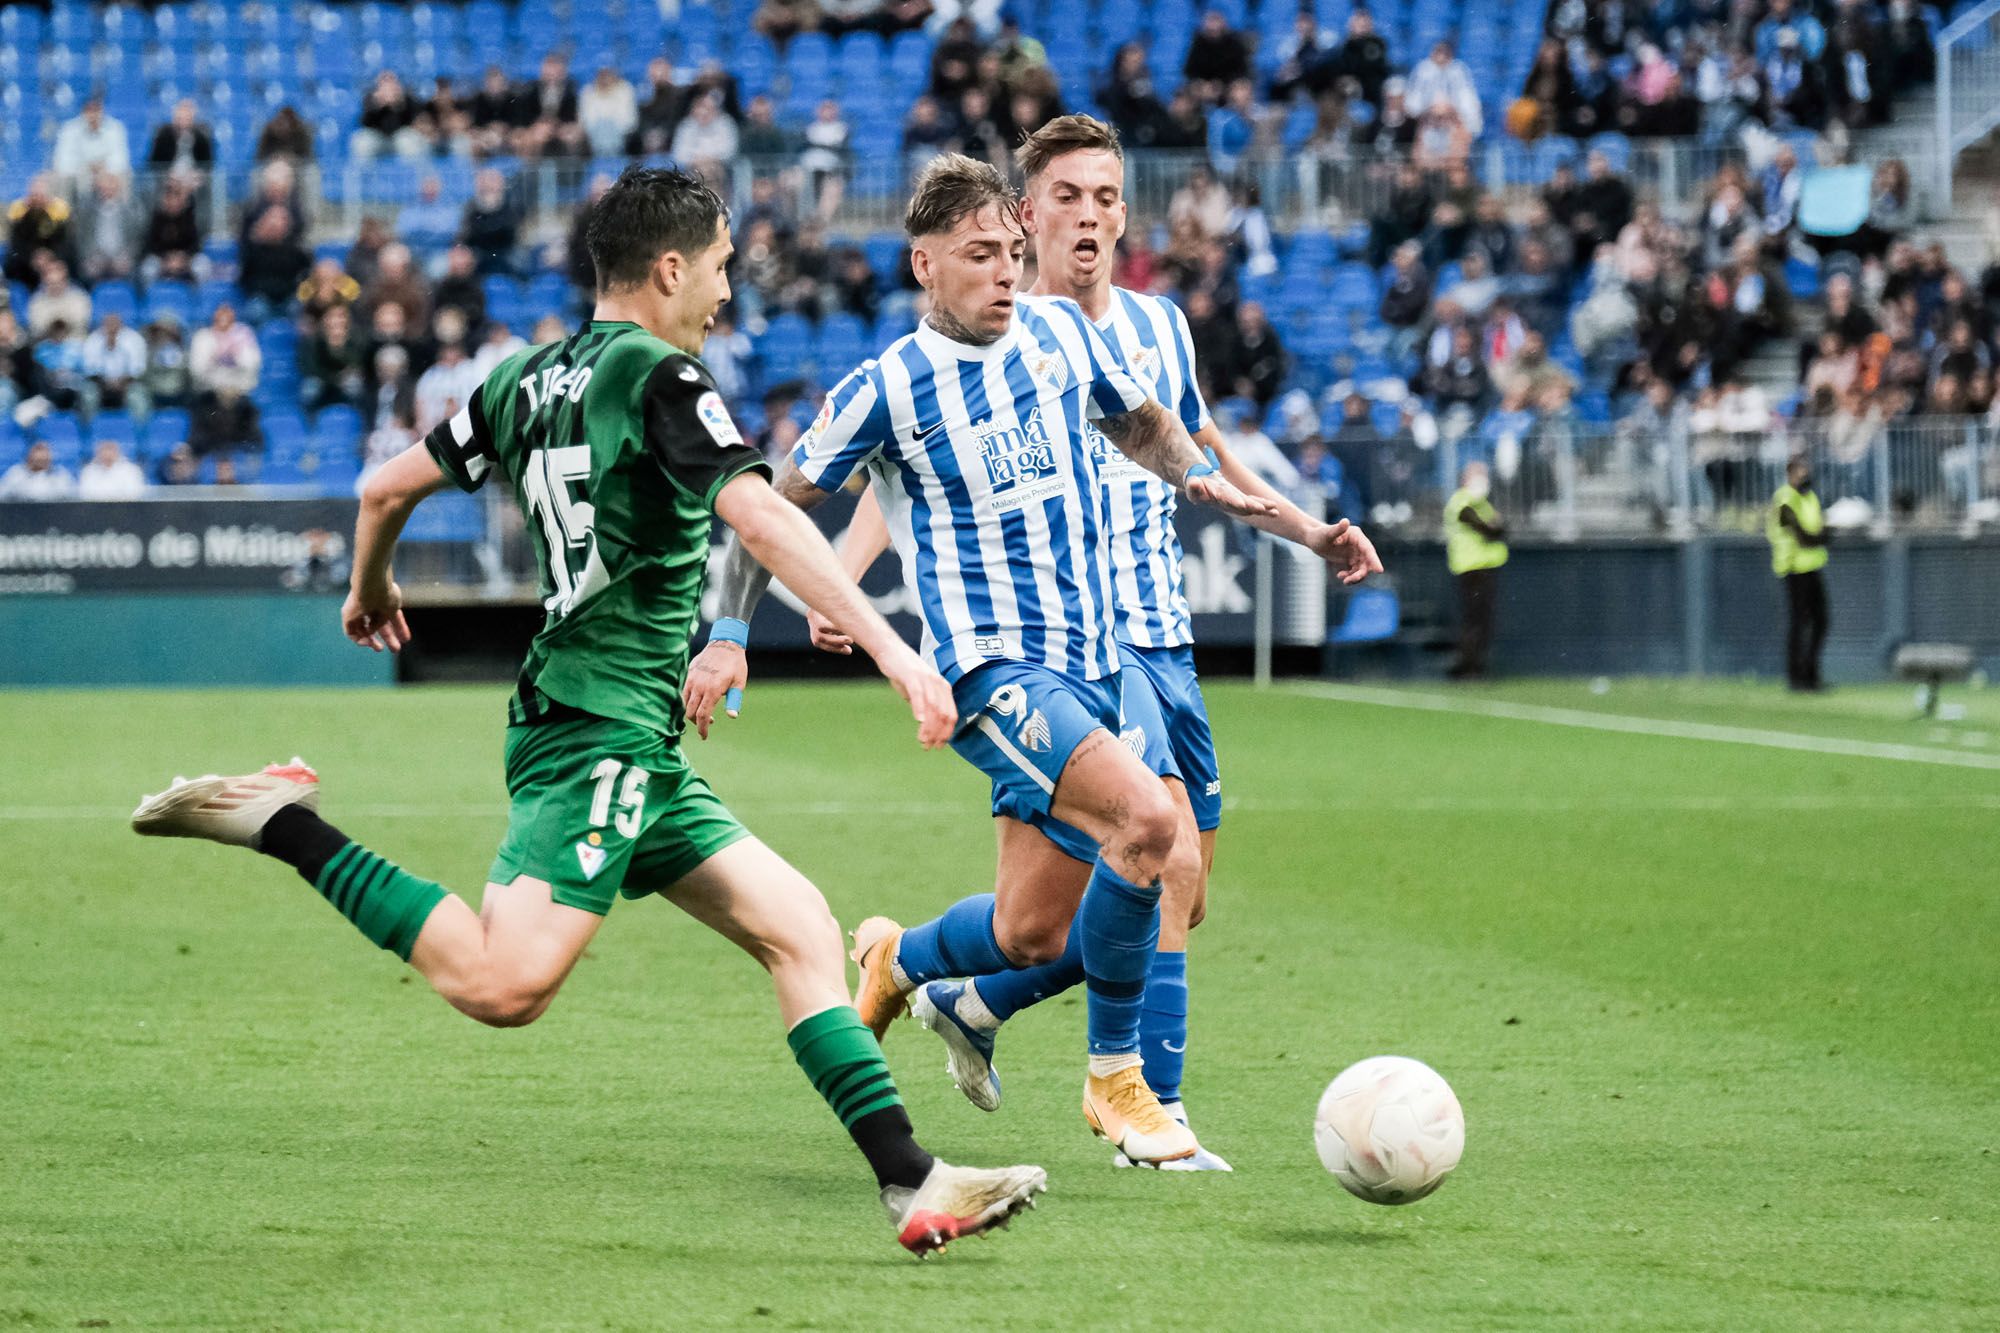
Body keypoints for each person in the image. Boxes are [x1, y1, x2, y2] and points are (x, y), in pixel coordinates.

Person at [129, 166, 1045, 1258]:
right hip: (594, 729)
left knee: (798, 926)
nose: (725, 293)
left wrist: (369, 587)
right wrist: (896, 651)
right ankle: (279, 820)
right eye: (716, 269)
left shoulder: (519, 377)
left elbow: (382, 488)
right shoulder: (663, 377)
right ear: (668, 269)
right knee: (503, 983)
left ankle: (912, 1181)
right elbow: (757, 516)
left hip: (623, 735)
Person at [793, 118, 1377, 1170]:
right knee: (1155, 839)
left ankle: (916, 970)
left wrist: (1292, 525)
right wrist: (844, 582)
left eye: (1106, 196)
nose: (1088, 216)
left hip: (1130, 642)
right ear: (1027, 206)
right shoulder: (921, 368)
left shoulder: (1129, 333)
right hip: (1014, 662)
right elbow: (898, 478)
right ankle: (1137, 1095)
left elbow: (1185, 442)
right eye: (1064, 197)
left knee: (1040, 925)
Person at [687, 152, 1283, 1167]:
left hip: (1091, 665)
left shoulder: (1056, 333)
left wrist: (1200, 477)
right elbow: (766, 514)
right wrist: (731, 633)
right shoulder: (886, 388)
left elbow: (1133, 415)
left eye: (1011, 252)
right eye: (979, 255)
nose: (1007, 272)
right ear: (923, 264)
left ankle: (896, 958)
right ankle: (1118, 1085)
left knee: (1031, 935)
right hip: (992, 676)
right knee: (1148, 823)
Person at [1767, 452, 1829, 691]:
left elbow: (1819, 531)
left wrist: (1821, 536)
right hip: (1793, 567)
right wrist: (1821, 537)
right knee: (1799, 624)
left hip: (1812, 566)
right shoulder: (1785, 500)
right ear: (1790, 474)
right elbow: (1805, 536)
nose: (1806, 475)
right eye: (1801, 471)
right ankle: (1797, 676)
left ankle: (1811, 673)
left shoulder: (1809, 497)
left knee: (1820, 622)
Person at [1444, 460, 1507, 680]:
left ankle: (1476, 664)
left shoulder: (1481, 504)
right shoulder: (1462, 502)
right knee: (1473, 620)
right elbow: (1488, 528)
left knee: (1482, 620)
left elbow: (1500, 529)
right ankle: (1466, 666)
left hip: (1485, 567)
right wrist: (1493, 525)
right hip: (1470, 568)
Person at [0, 440, 77, 500]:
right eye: (38, 450)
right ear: (29, 456)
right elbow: (3, 495)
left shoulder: (60, 475)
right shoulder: (16, 474)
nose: (41, 457)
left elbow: (73, 498)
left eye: (45, 452)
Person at [76, 439, 147, 500]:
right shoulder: (88, 471)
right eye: (104, 450)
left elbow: (135, 494)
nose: (107, 454)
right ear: (98, 452)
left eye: (110, 449)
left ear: (117, 451)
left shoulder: (132, 470)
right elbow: (85, 495)